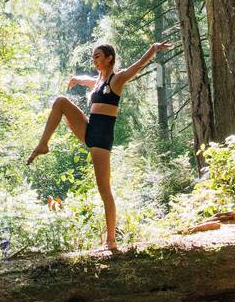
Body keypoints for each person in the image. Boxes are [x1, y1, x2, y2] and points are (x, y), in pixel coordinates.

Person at [26, 40, 171, 251]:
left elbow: (138, 65)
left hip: (102, 138)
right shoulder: (98, 81)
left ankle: (111, 240)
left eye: (97, 56)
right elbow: (89, 80)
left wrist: (153, 49)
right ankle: (43, 144)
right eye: (93, 57)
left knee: (104, 189)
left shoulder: (116, 79)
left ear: (109, 58)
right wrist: (77, 79)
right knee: (60, 102)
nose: (94, 60)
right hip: (89, 129)